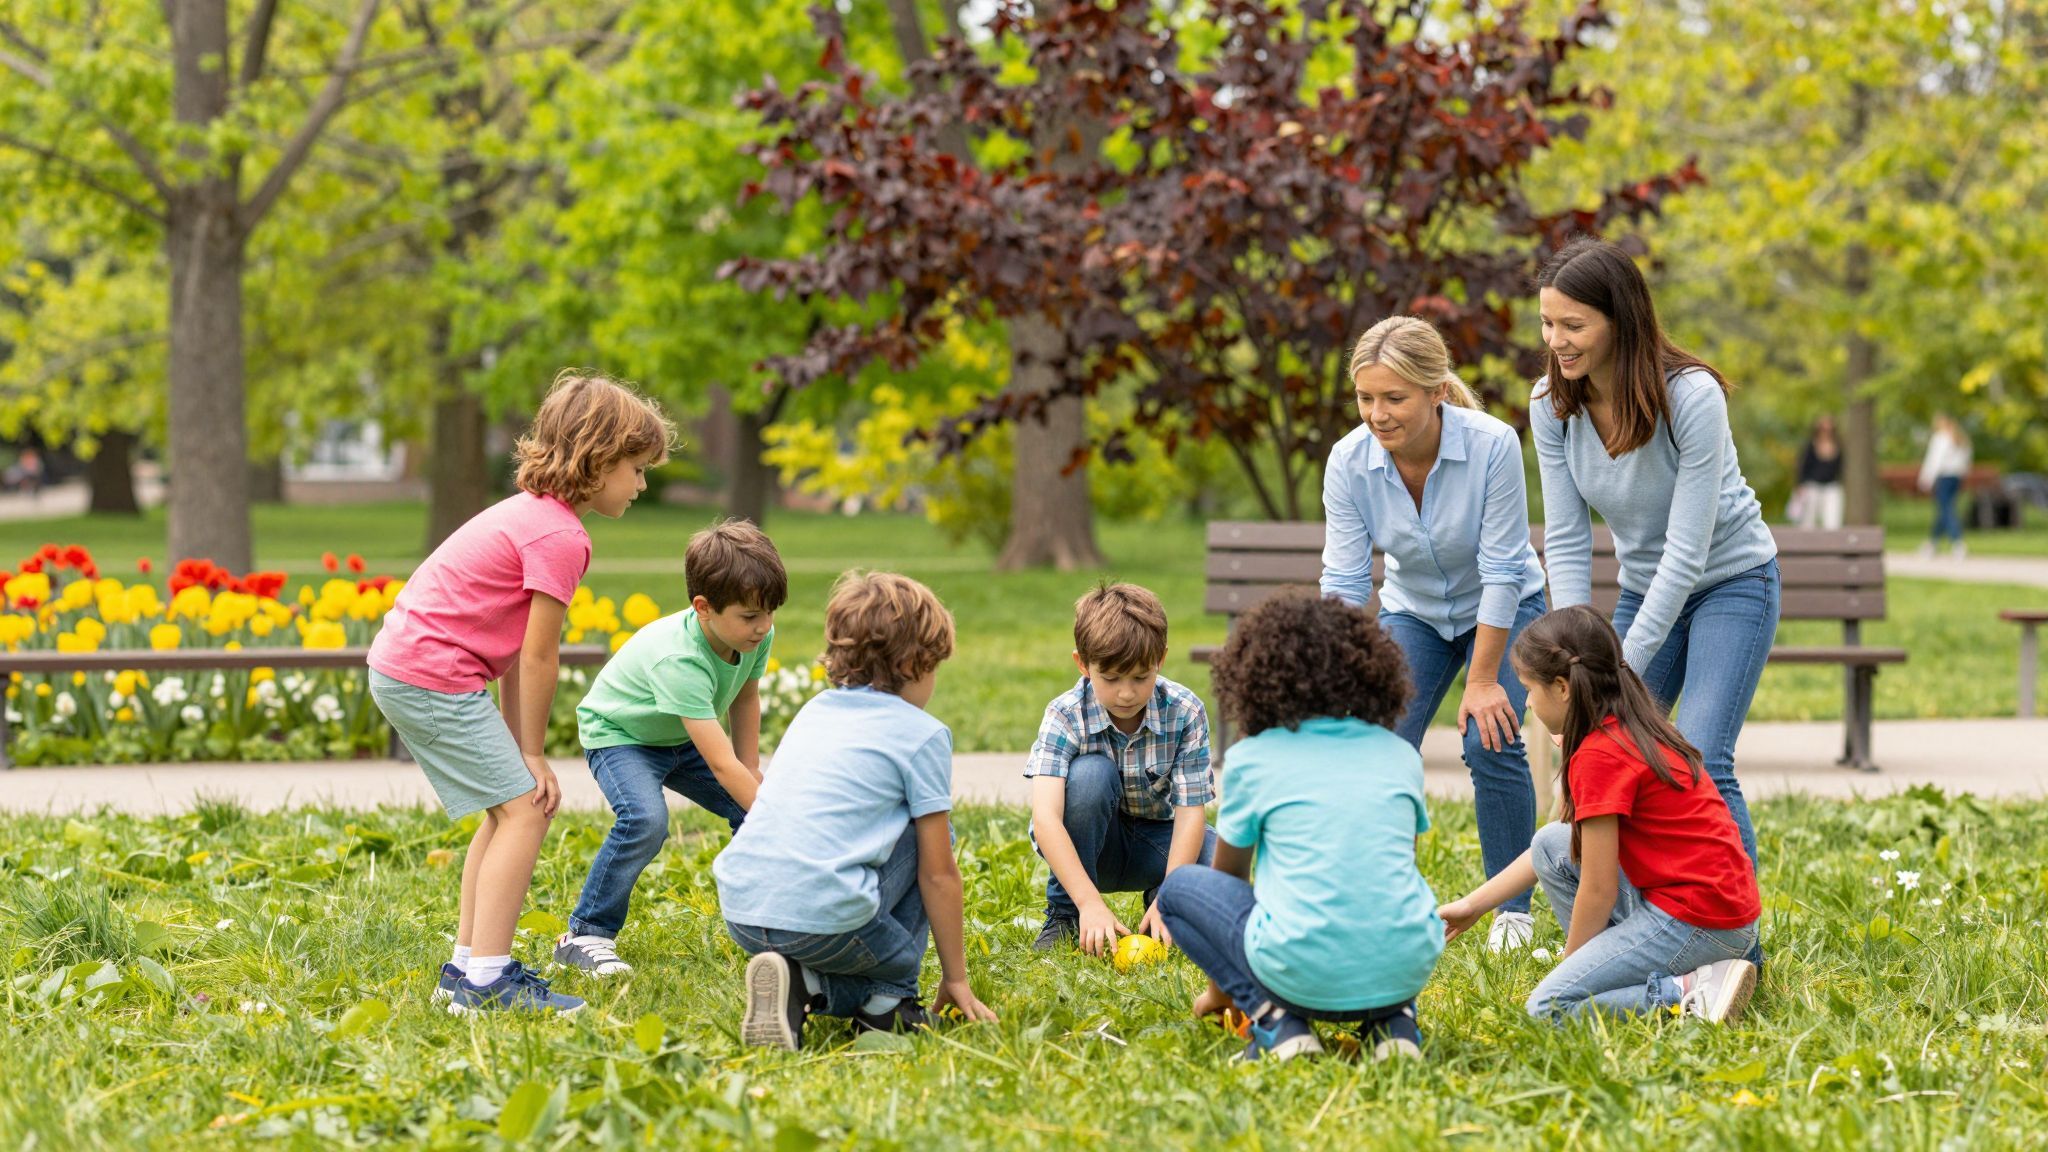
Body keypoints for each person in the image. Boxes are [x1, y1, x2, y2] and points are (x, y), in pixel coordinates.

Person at [368, 370, 672, 1014]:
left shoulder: (532, 518)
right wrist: (532, 756)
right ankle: (486, 982)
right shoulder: (562, 536)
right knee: (527, 809)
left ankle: (465, 968)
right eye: (637, 469)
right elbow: (537, 655)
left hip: (410, 667)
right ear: (598, 460)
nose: (643, 485)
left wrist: (518, 749)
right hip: (431, 674)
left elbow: (509, 653)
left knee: (506, 810)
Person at [1529, 238, 1778, 929]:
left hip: (1731, 580)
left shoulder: (1690, 397)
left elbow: (1689, 551)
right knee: (1612, 748)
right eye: (1548, 324)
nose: (1557, 342)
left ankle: (1734, 945)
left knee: (1697, 751)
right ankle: (1647, 927)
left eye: (1573, 326)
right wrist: (1573, 656)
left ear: (1621, 320)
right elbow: (1570, 537)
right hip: (1646, 588)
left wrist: (1614, 669)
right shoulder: (1551, 405)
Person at [1322, 315, 1548, 951]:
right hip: (1415, 611)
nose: (1377, 414)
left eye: (1395, 398)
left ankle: (1513, 913)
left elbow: (1505, 568)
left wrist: (1482, 679)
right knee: (1379, 745)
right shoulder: (1349, 461)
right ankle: (1378, 898)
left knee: (1491, 740)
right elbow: (1342, 579)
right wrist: (1338, 676)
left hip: (1504, 607)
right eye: (1367, 398)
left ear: (1436, 392)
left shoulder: (1493, 444)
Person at [1438, 606, 1761, 1023]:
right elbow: (1568, 845)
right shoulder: (1630, 722)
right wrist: (1473, 905)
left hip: (1699, 925)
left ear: (1562, 688)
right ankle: (1638, 964)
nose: (1529, 704)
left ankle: (1687, 991)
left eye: (1529, 690)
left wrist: (1571, 969)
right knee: (1551, 842)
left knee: (1549, 1007)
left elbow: (1598, 888)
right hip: (1722, 914)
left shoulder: (1598, 754)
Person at [716, 571, 999, 1048]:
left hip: (743, 908)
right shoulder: (922, 733)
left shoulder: (815, 710)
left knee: (848, 894)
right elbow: (938, 874)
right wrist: (956, 978)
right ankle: (887, 1004)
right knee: (935, 842)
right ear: (914, 664)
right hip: (826, 918)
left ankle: (790, 981)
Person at [1155, 590, 1439, 1062]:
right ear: (1370, 672)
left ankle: (1277, 1021)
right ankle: (1395, 1026)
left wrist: (1224, 994)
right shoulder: (1401, 754)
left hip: (1296, 970)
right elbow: (1395, 870)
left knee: (1180, 889)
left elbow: (1227, 881)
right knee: (1378, 906)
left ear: (1256, 676)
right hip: (1407, 964)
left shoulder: (1253, 759)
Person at [552, 520, 787, 977]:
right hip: (621, 737)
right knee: (646, 819)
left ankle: (768, 921)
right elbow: (720, 765)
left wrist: (752, 770)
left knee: (751, 804)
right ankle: (585, 934)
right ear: (703, 608)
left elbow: (745, 697)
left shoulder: (755, 634)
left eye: (769, 613)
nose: (763, 627)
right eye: (749, 616)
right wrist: (771, 811)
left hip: (679, 735)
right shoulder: (678, 658)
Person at [1023, 582, 1216, 955]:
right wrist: (1089, 903)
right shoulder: (1064, 715)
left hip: (1152, 843)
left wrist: (1174, 892)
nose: (1126, 693)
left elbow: (1191, 813)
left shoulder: (1185, 711)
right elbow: (1046, 819)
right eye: (1111, 679)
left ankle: (1163, 906)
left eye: (1140, 677)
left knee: (1212, 851)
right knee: (1090, 776)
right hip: (1093, 849)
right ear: (1083, 664)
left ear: (1160, 659)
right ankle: (1066, 913)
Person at [1918, 413, 1972, 558]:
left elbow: (1934, 460)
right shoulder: (1960, 438)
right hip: (1956, 477)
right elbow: (1966, 459)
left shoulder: (1941, 438)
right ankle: (1932, 543)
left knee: (1947, 509)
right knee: (1944, 509)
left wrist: (1926, 478)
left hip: (1944, 477)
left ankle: (1957, 541)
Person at [1791, 415, 1844, 530]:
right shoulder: (1811, 445)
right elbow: (1802, 466)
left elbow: (1840, 468)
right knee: (1807, 522)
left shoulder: (1838, 446)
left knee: (1832, 522)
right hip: (1812, 487)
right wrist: (1800, 485)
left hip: (1831, 487)